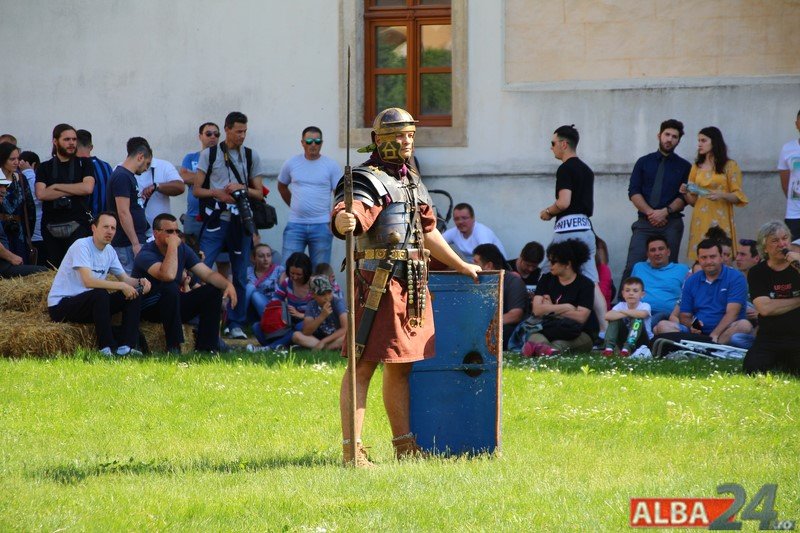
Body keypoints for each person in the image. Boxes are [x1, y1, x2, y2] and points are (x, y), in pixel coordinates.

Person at [331, 107, 481, 466]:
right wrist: (343, 220)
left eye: (410, 135)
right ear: (379, 140)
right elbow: (349, 213)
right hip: (377, 283)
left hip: (411, 282)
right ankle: (353, 452)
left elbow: (428, 232)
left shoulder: (412, 180)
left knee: (402, 365)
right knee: (363, 366)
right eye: (399, 135)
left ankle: (404, 445)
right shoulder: (366, 178)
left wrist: (460, 264)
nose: (406, 141)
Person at [194, 111, 266, 340]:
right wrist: (218, 193)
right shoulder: (209, 154)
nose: (242, 136)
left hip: (240, 222)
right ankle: (196, 318)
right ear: (227, 129)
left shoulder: (251, 155)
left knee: (241, 273)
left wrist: (241, 189)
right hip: (217, 219)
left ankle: (236, 323)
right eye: (238, 131)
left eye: (245, 132)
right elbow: (197, 190)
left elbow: (259, 193)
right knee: (201, 267)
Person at [47, 212, 150, 356]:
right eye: (105, 227)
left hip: (90, 304)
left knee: (133, 294)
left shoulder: (110, 251)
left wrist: (140, 282)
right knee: (100, 293)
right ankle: (106, 348)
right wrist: (122, 286)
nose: (109, 231)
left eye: (113, 228)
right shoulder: (81, 245)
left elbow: (125, 279)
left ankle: (126, 346)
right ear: (93, 228)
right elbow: (88, 282)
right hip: (62, 305)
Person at [132, 213, 237, 354]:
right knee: (170, 286)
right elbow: (167, 275)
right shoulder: (146, 253)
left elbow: (207, 274)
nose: (175, 236)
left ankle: (207, 348)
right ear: (156, 233)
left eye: (177, 231)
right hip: (149, 308)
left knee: (212, 291)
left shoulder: (182, 248)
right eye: (170, 231)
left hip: (173, 304)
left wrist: (227, 285)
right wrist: (172, 246)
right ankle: (173, 347)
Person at [538, 124, 607, 331]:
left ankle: (538, 322)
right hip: (586, 229)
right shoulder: (586, 170)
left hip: (566, 231)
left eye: (553, 143)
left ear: (564, 144)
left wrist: (547, 212)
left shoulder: (565, 169)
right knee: (592, 281)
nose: (551, 147)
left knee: (546, 272)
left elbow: (564, 202)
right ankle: (605, 331)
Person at [621, 119, 692, 283]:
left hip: (671, 223)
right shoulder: (643, 162)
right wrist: (651, 213)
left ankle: (668, 297)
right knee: (633, 266)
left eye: (674, 137)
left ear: (678, 141)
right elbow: (634, 191)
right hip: (644, 222)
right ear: (659, 135)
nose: (670, 139)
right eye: (667, 134)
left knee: (669, 267)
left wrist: (665, 212)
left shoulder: (685, 166)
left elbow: (684, 197)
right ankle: (623, 298)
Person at [654, 239, 752, 344]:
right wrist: (693, 325)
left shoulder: (736, 278)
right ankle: (705, 345)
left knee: (744, 325)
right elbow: (684, 315)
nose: (708, 261)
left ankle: (710, 346)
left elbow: (732, 313)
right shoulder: (691, 281)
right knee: (663, 326)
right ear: (698, 259)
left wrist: (715, 334)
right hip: (697, 333)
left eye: (712, 257)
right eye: (704, 257)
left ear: (721, 257)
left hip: (725, 332)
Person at [680, 126, 748, 262]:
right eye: (699, 140)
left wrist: (722, 195)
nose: (699, 144)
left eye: (703, 140)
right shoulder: (696, 166)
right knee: (702, 257)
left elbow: (738, 196)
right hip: (700, 218)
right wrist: (685, 193)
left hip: (720, 217)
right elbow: (693, 201)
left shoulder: (729, 165)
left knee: (721, 255)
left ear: (714, 142)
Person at [277, 126, 341, 268]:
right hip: (295, 224)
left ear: (321, 143)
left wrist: (333, 220)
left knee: (320, 271)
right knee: (288, 267)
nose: (313, 145)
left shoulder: (331, 165)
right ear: (302, 143)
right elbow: (281, 186)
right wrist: (294, 205)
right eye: (309, 141)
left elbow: (339, 194)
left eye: (317, 141)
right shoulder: (291, 163)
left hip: (322, 225)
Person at [522, 239, 599, 356]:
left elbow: (581, 317)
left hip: (578, 332)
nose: (550, 265)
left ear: (567, 264)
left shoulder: (585, 284)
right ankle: (545, 350)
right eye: (549, 260)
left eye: (554, 262)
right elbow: (537, 310)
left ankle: (542, 350)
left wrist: (550, 308)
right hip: (548, 328)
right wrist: (567, 307)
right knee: (535, 336)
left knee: (558, 345)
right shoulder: (546, 279)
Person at [742, 221, 800, 375]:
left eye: (785, 238)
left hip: (798, 336)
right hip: (770, 338)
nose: (782, 244)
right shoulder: (757, 272)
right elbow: (765, 308)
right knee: (752, 368)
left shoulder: (797, 264)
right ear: (765, 248)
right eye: (775, 241)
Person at [35, 124, 96, 267]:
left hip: (78, 225)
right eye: (67, 139)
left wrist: (56, 187)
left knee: (78, 268)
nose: (71, 143)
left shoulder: (84, 163)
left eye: (74, 139)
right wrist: (75, 188)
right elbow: (41, 194)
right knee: (54, 270)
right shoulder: (44, 167)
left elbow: (88, 188)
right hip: (50, 227)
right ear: (55, 141)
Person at [249, 251, 314, 350]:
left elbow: (321, 312)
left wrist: (300, 315)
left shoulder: (315, 284)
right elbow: (275, 300)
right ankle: (283, 345)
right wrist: (274, 314)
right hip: (288, 321)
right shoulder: (287, 283)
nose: (295, 277)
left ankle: (270, 348)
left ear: (307, 272)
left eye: (299, 274)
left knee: (299, 327)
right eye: (292, 273)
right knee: (257, 327)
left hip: (308, 322)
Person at [107, 137, 152, 274]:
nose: (146, 168)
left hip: (131, 241)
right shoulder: (122, 176)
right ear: (140, 157)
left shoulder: (128, 176)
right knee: (132, 279)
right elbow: (123, 212)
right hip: (126, 243)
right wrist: (135, 243)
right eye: (147, 164)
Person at [472, 243, 528, 350]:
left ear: (489, 266)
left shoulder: (513, 281)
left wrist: (485, 324)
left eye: (475, 262)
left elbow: (515, 315)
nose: (472, 265)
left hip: (505, 329)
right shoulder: (478, 282)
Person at [630, 235, 690, 325]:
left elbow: (690, 296)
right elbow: (629, 290)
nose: (657, 253)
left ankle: (641, 330)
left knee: (655, 318)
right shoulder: (639, 267)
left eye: (661, 249)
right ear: (647, 254)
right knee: (615, 318)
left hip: (666, 315)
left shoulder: (682, 269)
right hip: (639, 312)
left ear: (668, 252)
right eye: (653, 250)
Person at [179, 122, 220, 250]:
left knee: (218, 256)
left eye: (216, 134)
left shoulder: (223, 158)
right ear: (200, 136)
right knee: (191, 253)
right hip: (193, 216)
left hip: (217, 214)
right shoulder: (191, 157)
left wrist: (197, 177)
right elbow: (183, 177)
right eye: (208, 134)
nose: (213, 137)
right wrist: (211, 177)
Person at [0, 173, 48, 277]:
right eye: (1, 186)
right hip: (3, 266)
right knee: (43, 272)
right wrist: (11, 257)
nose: (4, 190)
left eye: (5, 186)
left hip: (4, 264)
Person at [0, 142, 36, 263]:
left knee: (21, 264)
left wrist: (28, 234)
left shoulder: (21, 178)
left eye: (18, 158)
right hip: (2, 231)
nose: (16, 162)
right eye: (12, 159)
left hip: (19, 231)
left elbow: (30, 207)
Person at [292, 276, 347, 350]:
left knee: (349, 336)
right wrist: (322, 316)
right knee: (296, 335)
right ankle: (327, 347)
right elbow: (306, 332)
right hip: (318, 338)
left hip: (337, 337)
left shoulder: (337, 302)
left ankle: (322, 347)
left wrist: (323, 342)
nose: (327, 297)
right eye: (322, 294)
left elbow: (345, 328)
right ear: (313, 295)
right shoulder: (311, 305)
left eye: (329, 293)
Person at [601, 277, 652, 357]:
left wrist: (622, 312)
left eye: (635, 291)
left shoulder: (645, 305)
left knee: (637, 319)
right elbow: (607, 316)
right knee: (614, 319)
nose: (631, 293)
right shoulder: (621, 305)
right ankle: (609, 349)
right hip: (624, 340)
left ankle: (627, 349)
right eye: (627, 290)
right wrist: (628, 313)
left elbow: (642, 314)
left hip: (642, 341)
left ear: (642, 294)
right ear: (623, 294)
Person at [134, 157, 185, 235]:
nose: (145, 168)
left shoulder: (164, 165)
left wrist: (157, 186)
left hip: (160, 234)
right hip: (133, 234)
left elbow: (180, 187)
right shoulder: (122, 169)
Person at [442, 202, 506, 261]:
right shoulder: (454, 232)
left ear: (473, 218)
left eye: (464, 218)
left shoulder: (481, 232)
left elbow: (487, 258)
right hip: (474, 266)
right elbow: (437, 243)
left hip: (496, 266)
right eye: (456, 219)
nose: (460, 222)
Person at [75, 129, 114, 218]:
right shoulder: (106, 166)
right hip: (104, 219)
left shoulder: (76, 167)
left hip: (83, 220)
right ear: (91, 147)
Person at [245, 243, 284, 318]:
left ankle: (238, 319)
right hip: (252, 309)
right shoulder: (247, 271)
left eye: (268, 255)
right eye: (261, 256)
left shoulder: (279, 270)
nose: (266, 259)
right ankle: (239, 317)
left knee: (254, 293)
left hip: (273, 307)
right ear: (254, 258)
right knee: (250, 288)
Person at [19, 150, 44, 265]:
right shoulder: (34, 179)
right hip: (39, 232)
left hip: (24, 232)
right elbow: (37, 197)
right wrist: (29, 172)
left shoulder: (15, 178)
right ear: (34, 164)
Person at [778, 109, 800, 240]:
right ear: (796, 124)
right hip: (794, 214)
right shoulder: (787, 148)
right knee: (793, 249)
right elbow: (785, 184)